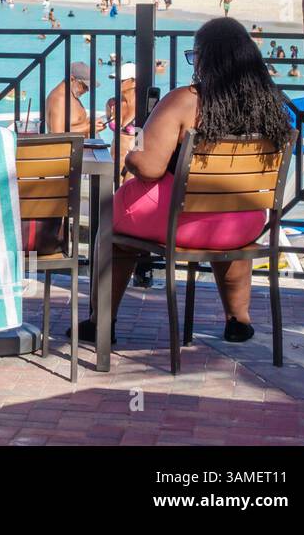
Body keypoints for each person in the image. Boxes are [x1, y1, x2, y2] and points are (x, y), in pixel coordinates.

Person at [76, 18, 292, 345]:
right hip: (244, 223)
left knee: (111, 229)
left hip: (184, 221)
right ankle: (238, 320)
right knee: (222, 217)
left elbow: (149, 167)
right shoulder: (271, 104)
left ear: (207, 58)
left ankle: (100, 321)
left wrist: (131, 152)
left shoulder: (185, 101)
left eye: (196, 56)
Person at [45, 61, 98, 135]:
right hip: (68, 146)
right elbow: (57, 134)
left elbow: (72, 124)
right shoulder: (60, 99)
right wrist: (89, 128)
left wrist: (90, 123)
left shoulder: (70, 95)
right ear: (71, 79)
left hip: (78, 145)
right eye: (84, 86)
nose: (87, 90)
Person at [106, 62, 139, 162]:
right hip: (114, 161)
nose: (116, 83)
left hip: (133, 163)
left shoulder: (142, 106)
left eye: (121, 80)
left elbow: (141, 143)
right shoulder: (111, 104)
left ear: (134, 82)